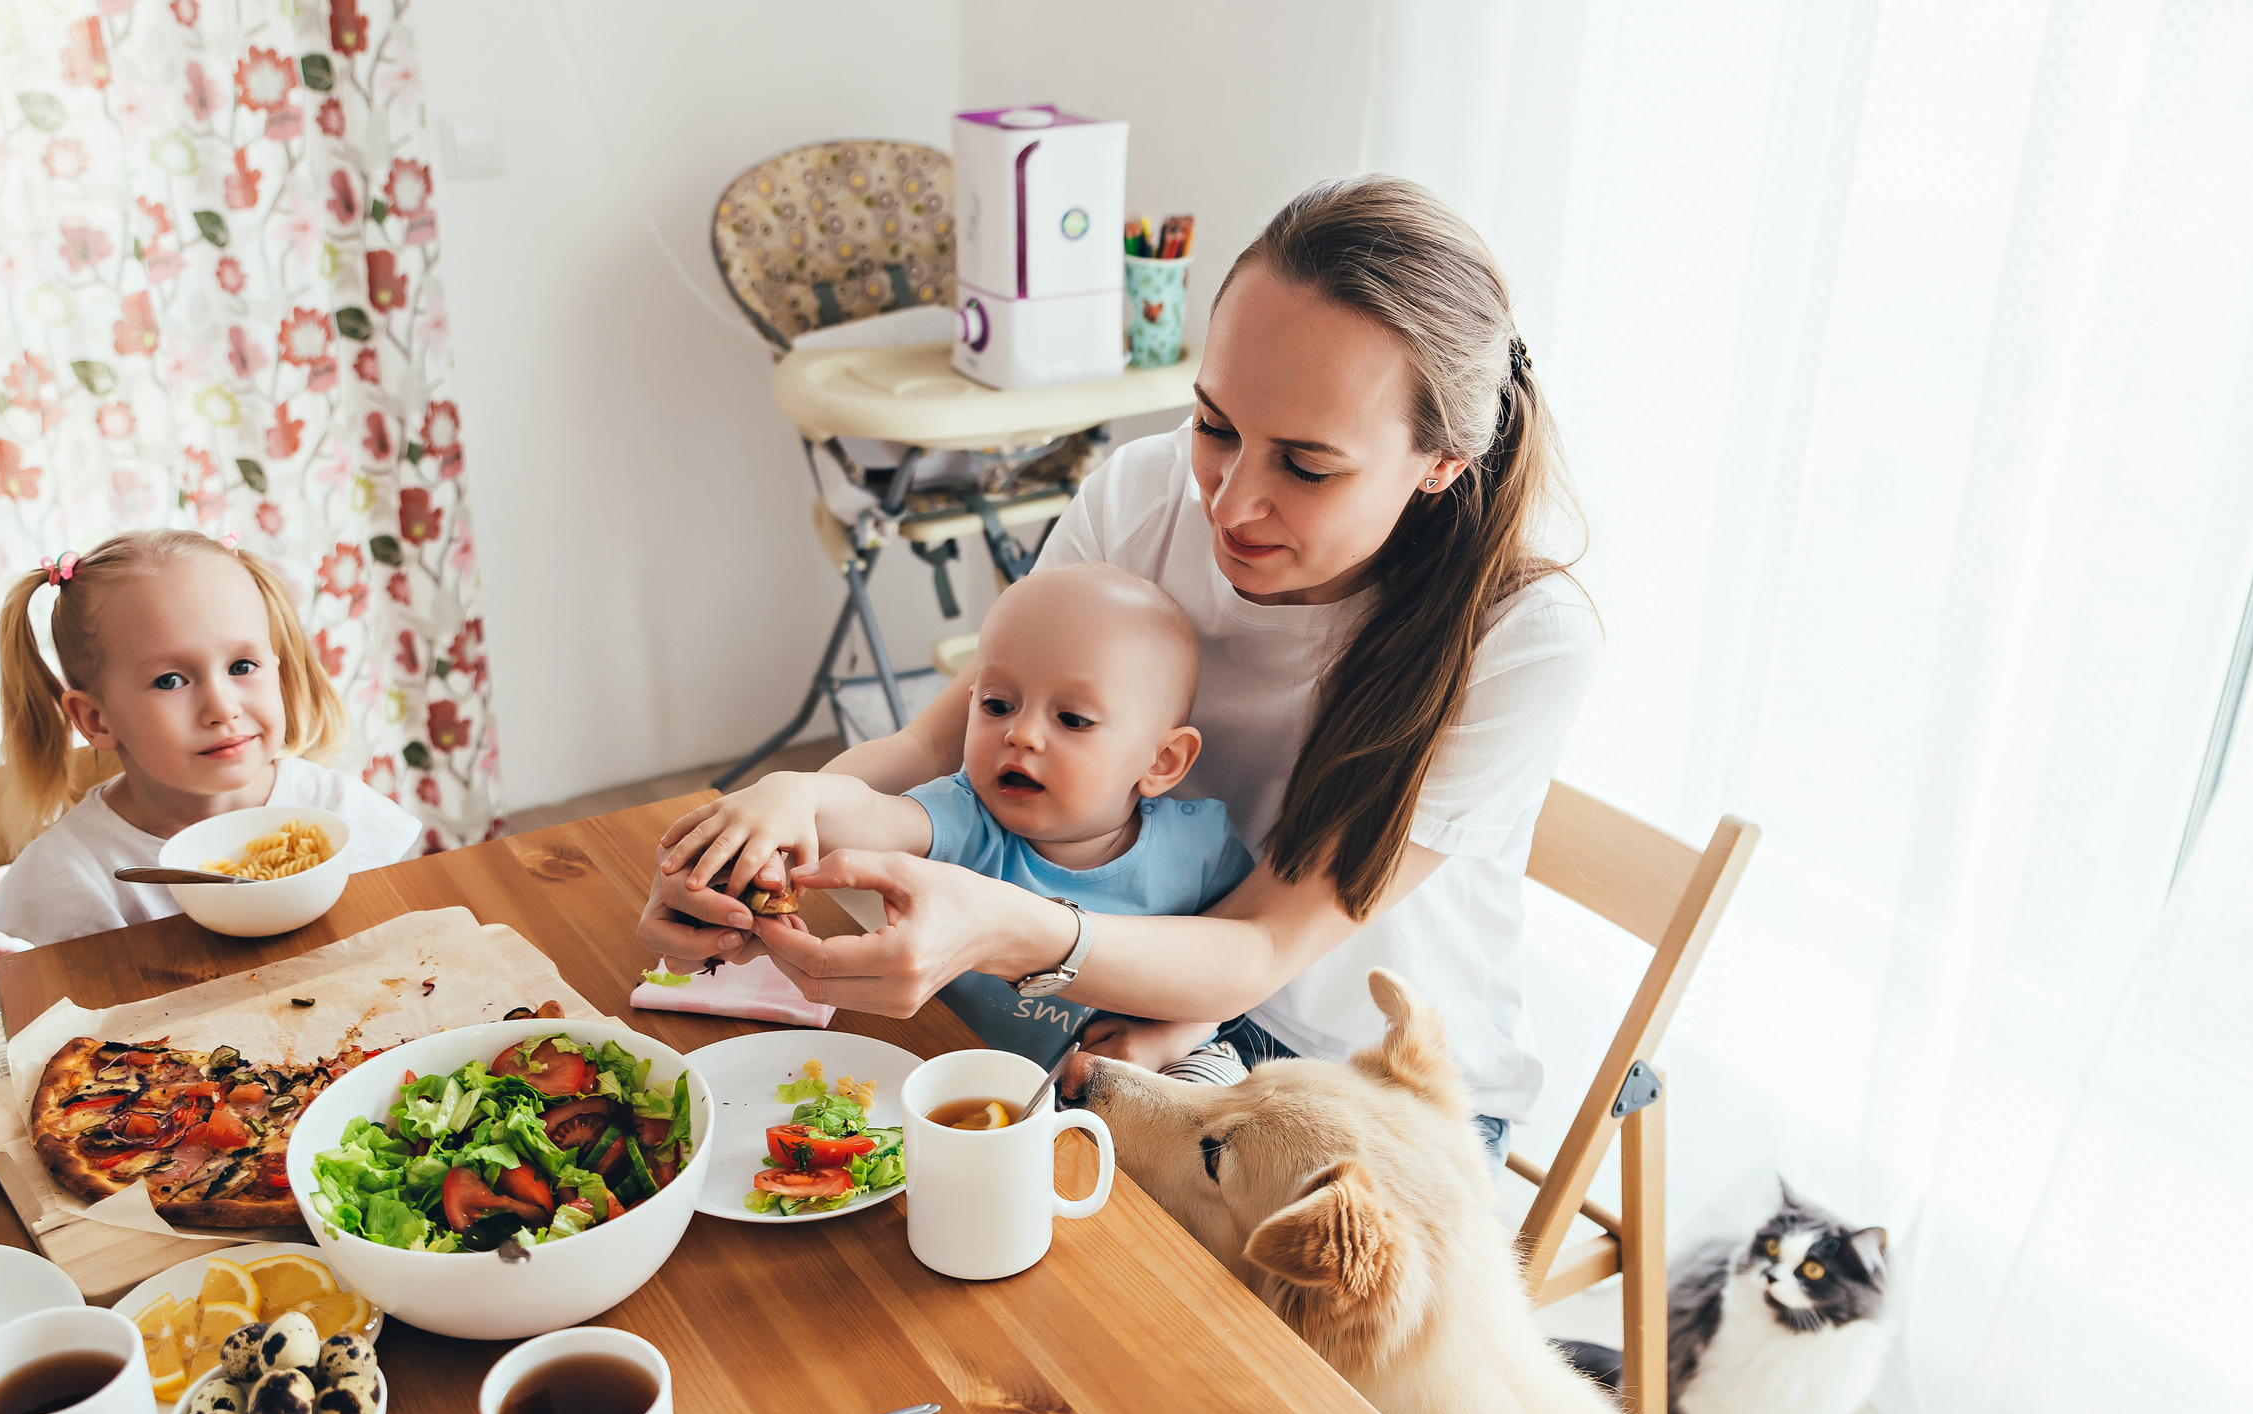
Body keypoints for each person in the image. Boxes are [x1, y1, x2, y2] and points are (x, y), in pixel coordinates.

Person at [641, 176, 1604, 1157]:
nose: (1230, 503)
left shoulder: (1520, 635)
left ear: (1440, 460)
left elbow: (1267, 941)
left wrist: (1027, 931)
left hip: (1367, 1077)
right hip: (1124, 980)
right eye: (1214, 425)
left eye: (1306, 467)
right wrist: (779, 823)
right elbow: (938, 739)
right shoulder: (1140, 496)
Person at [659, 563, 1256, 1080]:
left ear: (1161, 760)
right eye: (997, 705)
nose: (1020, 733)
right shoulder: (967, 812)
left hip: (1129, 1082)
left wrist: (1162, 1041)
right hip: (955, 1075)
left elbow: (1237, 973)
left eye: (1072, 719)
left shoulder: (1199, 848)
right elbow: (874, 815)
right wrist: (794, 793)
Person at [0, 528, 422, 948]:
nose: (223, 708)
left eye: (242, 667)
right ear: (96, 719)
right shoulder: (73, 876)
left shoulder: (337, 812)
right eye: (170, 680)